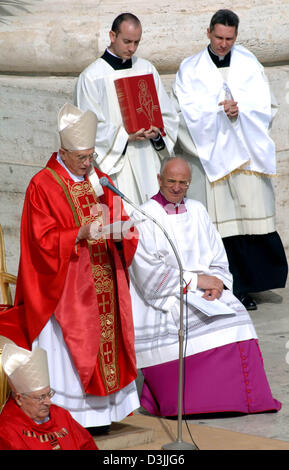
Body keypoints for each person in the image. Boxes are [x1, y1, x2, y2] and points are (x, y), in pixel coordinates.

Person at [0, 103, 140, 431]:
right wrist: (79, 233)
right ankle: (74, 416)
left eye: (91, 155)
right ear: (63, 152)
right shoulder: (43, 184)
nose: (88, 163)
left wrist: (124, 231)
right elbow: (39, 241)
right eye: (82, 158)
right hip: (65, 289)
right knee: (70, 349)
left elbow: (117, 212)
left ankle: (102, 415)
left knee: (107, 342)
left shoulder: (99, 179)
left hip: (103, 277)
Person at [129, 156, 281, 417]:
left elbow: (218, 257)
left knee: (238, 317)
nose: (177, 188)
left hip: (207, 290)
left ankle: (243, 400)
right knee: (188, 326)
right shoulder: (143, 216)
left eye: (183, 183)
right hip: (169, 295)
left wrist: (218, 284)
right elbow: (148, 274)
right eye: (171, 182)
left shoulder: (198, 210)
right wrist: (197, 281)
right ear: (159, 180)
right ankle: (191, 403)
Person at [172, 9, 288, 310]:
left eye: (229, 39)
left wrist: (242, 111)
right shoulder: (191, 69)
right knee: (224, 228)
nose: (223, 44)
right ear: (208, 32)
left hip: (246, 155)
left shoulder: (249, 63)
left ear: (236, 36)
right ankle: (232, 285)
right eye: (219, 37)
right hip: (213, 158)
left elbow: (267, 106)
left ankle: (254, 282)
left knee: (250, 221)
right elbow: (182, 114)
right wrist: (216, 113)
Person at [74, 12, 179, 209]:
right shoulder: (91, 77)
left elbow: (169, 116)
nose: (132, 48)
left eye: (136, 43)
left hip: (149, 160)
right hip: (118, 167)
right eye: (127, 41)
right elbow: (87, 129)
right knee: (127, 226)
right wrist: (126, 136)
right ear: (112, 36)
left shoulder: (146, 69)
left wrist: (157, 133)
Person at [0, 340, 98, 450]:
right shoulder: (6, 431)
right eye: (41, 397)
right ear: (19, 398)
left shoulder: (61, 414)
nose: (48, 402)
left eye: (49, 394)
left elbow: (87, 445)